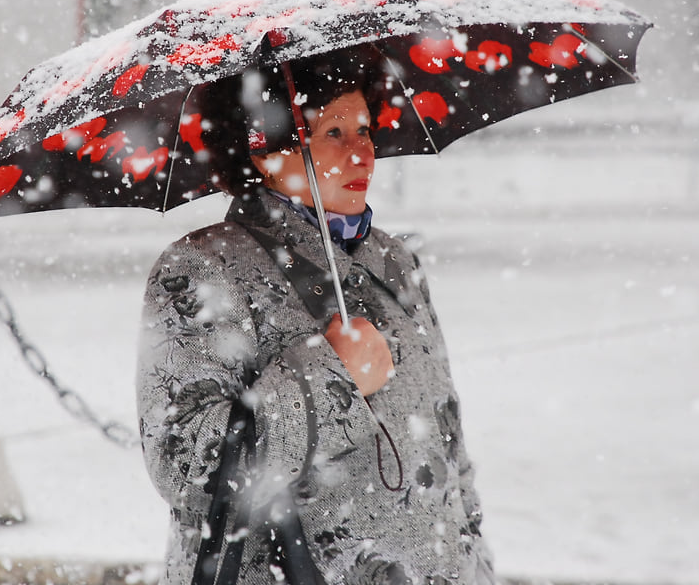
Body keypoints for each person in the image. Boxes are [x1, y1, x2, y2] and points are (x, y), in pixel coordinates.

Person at [136, 56, 497, 585]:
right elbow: (186, 464)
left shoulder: (394, 261)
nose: (362, 152)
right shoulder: (201, 269)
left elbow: (447, 438)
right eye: (333, 131)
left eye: (364, 129)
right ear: (264, 154)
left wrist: (473, 561)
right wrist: (330, 374)